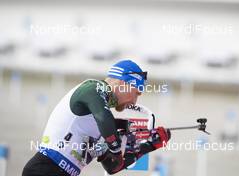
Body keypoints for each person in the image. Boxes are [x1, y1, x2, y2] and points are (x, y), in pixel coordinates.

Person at [22, 59, 171, 176]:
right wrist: (117, 147)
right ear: (122, 83)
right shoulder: (93, 88)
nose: (134, 102)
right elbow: (105, 121)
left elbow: (113, 166)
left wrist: (150, 144)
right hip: (43, 169)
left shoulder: (102, 119)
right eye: (136, 92)